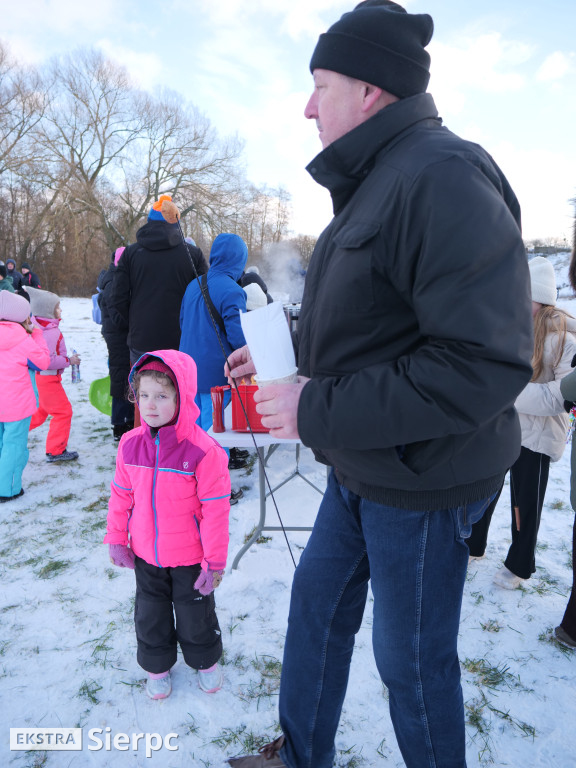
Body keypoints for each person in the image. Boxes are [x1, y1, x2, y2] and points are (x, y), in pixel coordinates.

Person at [224, 3, 533, 767]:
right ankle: (299, 755)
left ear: (370, 91)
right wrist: (291, 346)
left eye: (319, 84)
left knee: (412, 667)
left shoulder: (442, 175)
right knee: (315, 612)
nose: (305, 104)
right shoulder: (374, 182)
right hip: (361, 463)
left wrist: (314, 406)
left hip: (426, 481)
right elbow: (376, 315)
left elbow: (482, 363)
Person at [104, 351, 230, 699]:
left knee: (195, 614)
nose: (150, 404)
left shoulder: (204, 451)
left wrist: (215, 561)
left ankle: (205, 660)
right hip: (146, 553)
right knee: (150, 613)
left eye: (161, 396)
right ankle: (157, 666)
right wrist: (117, 537)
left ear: (182, 397)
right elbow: (120, 496)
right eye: (143, 395)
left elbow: (216, 511)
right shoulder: (130, 445)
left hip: (190, 556)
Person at [467, 256, 576, 589]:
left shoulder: (564, 339)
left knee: (525, 502)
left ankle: (519, 565)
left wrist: (508, 392)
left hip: (538, 437)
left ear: (540, 298)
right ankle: (473, 544)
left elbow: (562, 396)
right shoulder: (511, 328)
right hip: (505, 427)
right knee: (485, 486)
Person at [179, 232, 249, 479]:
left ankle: (195, 482)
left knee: (194, 432)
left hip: (187, 373)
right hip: (217, 376)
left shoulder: (192, 285)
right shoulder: (233, 291)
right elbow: (239, 340)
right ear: (239, 260)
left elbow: (182, 322)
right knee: (216, 434)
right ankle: (217, 487)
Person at [0, 292, 50, 501]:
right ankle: (7, 489)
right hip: (16, 406)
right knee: (13, 446)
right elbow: (43, 363)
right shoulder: (23, 340)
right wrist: (37, 336)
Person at [26, 287, 80, 462]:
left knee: (40, 413)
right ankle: (56, 450)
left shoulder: (38, 328)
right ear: (48, 310)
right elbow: (47, 360)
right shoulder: (50, 332)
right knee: (63, 412)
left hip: (39, 378)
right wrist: (69, 361)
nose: (60, 310)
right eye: (58, 307)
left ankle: (11, 431)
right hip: (48, 379)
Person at [97, 247, 134, 440]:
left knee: (125, 377)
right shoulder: (113, 282)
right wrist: (133, 323)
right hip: (118, 335)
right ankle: (119, 424)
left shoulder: (114, 278)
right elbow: (118, 314)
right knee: (121, 378)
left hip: (118, 334)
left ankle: (126, 420)